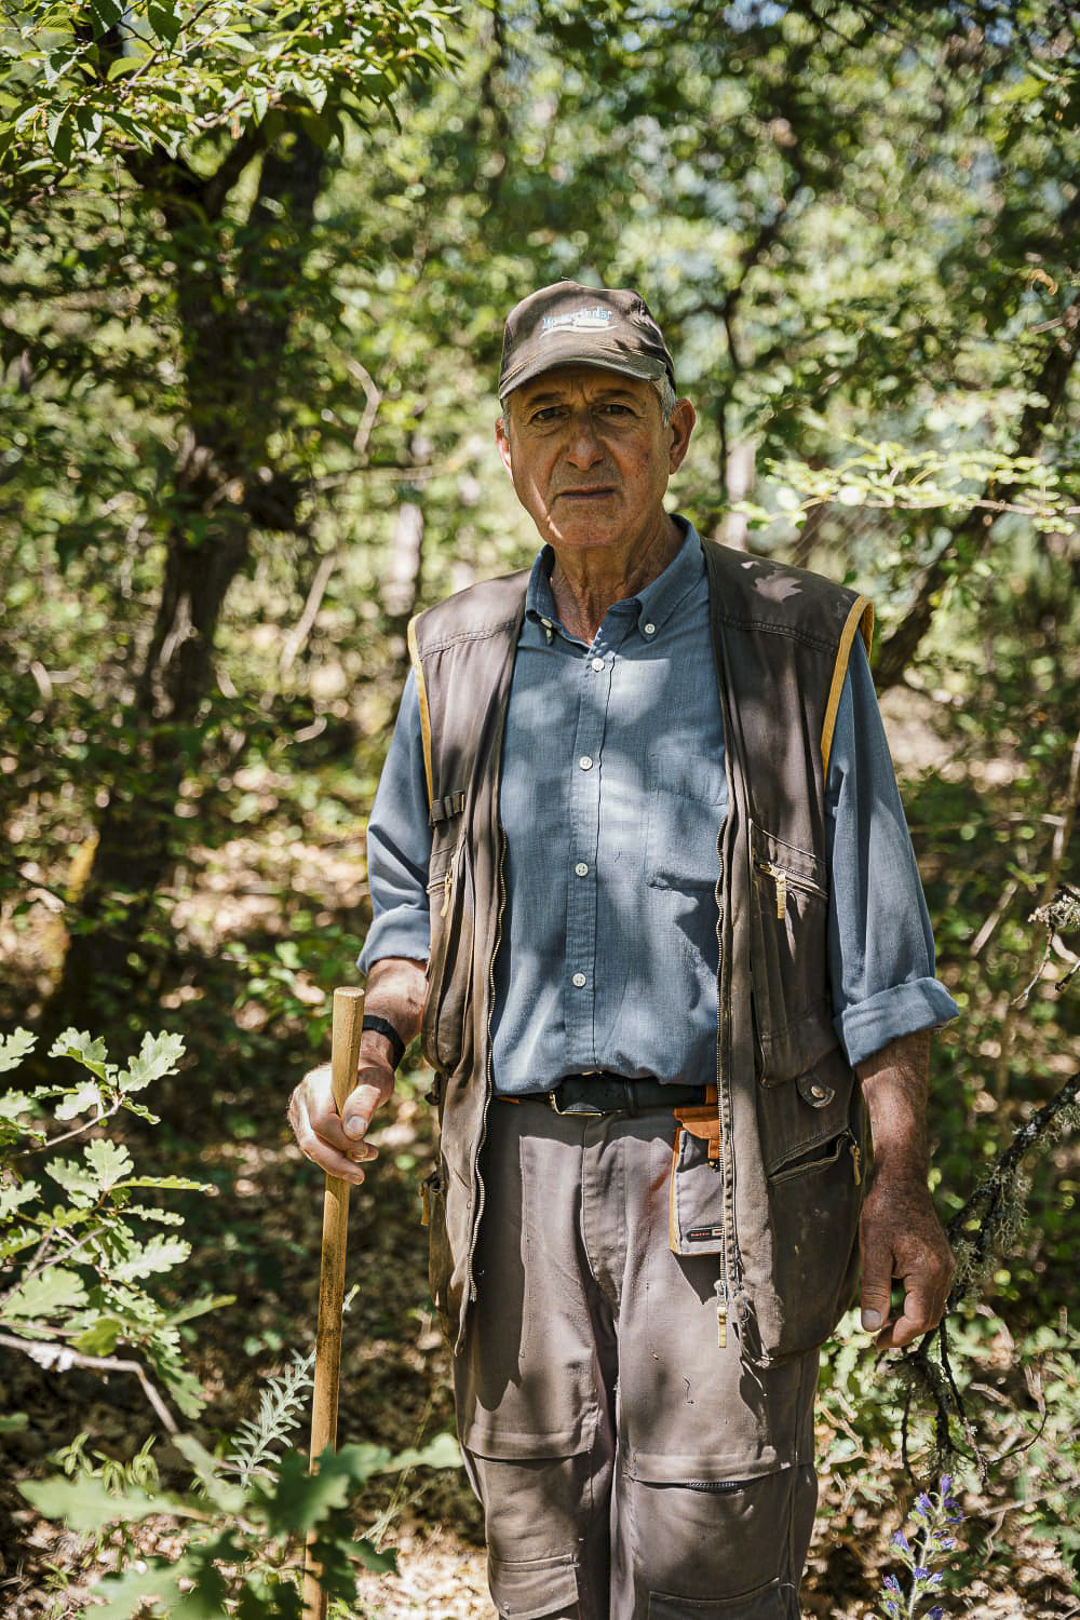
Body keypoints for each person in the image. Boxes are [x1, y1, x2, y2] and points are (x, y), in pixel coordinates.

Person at [288, 281, 958, 1620]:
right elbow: (409, 918)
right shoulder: (455, 659)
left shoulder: (792, 643)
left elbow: (881, 957)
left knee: (712, 1561)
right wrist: (365, 1066)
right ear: (506, 446)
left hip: (730, 1181)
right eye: (550, 414)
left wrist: (897, 1190)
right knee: (538, 1569)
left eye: (615, 411)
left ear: (678, 430)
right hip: (512, 1184)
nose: (582, 446)